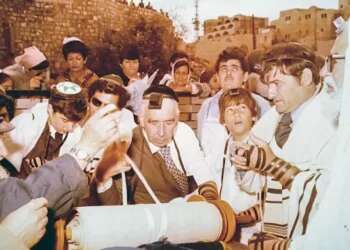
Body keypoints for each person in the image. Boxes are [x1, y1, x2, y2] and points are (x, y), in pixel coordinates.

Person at [231, 43, 338, 249]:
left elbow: (329, 199)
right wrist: (245, 166)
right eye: (268, 85)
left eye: (277, 84)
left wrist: (274, 165)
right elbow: (255, 185)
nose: (270, 94)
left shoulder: (334, 122)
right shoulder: (274, 117)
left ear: (306, 77)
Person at [0, 103, 131, 250]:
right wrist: (85, 149)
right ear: (50, 110)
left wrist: (102, 177)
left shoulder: (85, 136)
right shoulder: (27, 128)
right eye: (64, 119)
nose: (4, 152)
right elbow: (23, 198)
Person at [97, 85, 213, 204]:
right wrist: (104, 179)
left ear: (177, 119)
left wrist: (211, 200)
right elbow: (116, 205)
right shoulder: (127, 145)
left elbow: (202, 172)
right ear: (141, 120)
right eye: (154, 123)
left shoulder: (183, 131)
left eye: (169, 122)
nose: (162, 132)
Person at [202, 88, 264, 244]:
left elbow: (269, 199)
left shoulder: (264, 149)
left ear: (254, 115)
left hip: (255, 231)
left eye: (242, 108)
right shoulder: (219, 149)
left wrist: (235, 220)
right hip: (225, 229)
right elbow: (208, 182)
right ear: (222, 120)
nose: (236, 114)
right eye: (230, 110)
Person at [2, 81, 87, 178]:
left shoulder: (77, 132)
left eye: (75, 123)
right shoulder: (25, 124)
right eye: (64, 120)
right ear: (50, 109)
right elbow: (5, 170)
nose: (70, 128)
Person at [197, 47, 271, 143]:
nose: (228, 74)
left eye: (234, 69)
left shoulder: (261, 105)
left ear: (245, 76)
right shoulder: (207, 107)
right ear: (217, 77)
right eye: (224, 69)